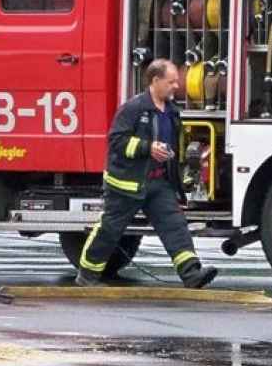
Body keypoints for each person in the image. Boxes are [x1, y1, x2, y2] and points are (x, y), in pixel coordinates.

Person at [76, 58, 217, 289]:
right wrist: (147, 147)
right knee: (110, 231)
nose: (176, 86)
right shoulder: (133, 108)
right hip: (126, 183)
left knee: (175, 225)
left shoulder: (171, 112)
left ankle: (191, 273)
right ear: (155, 81)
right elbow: (116, 141)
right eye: (171, 82)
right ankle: (87, 276)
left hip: (158, 182)